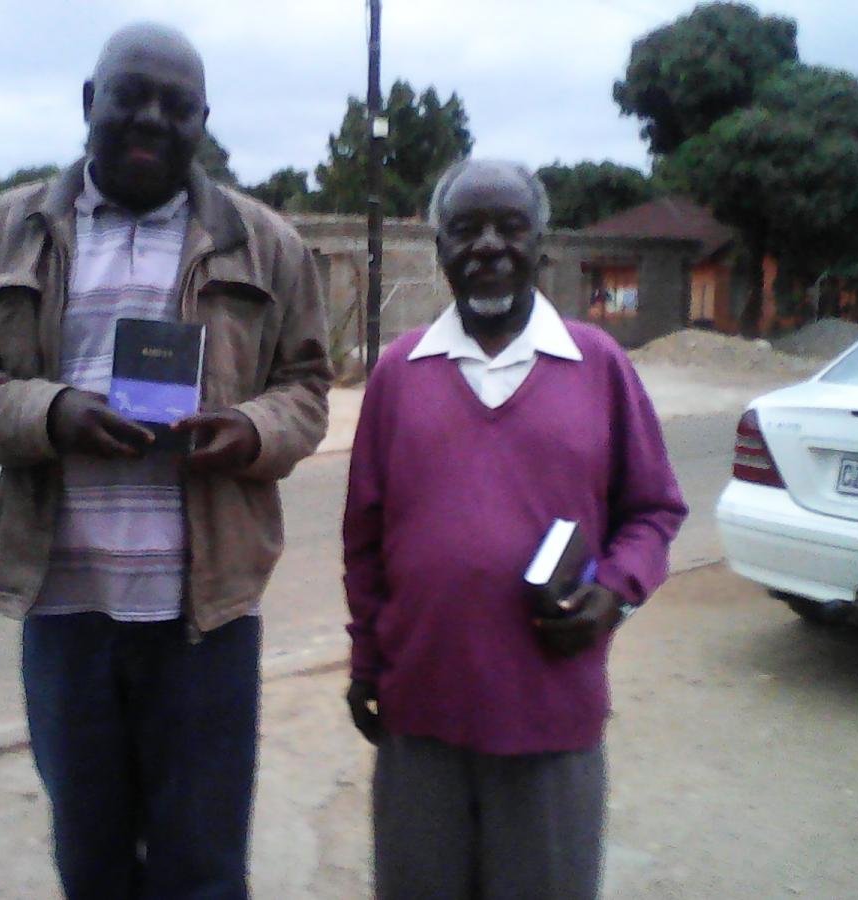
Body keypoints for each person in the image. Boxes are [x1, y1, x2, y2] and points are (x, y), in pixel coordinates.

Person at [0, 23, 331, 899]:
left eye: (176, 105)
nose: (151, 117)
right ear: (89, 102)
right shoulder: (3, 235)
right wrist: (52, 413)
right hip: (64, 612)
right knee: (93, 865)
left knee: (203, 869)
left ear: (203, 122)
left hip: (204, 619)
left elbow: (306, 389)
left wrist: (250, 432)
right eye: (130, 96)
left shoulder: (266, 244)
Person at [342, 159, 687, 899]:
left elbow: (653, 509)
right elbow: (364, 542)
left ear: (541, 245)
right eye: (466, 229)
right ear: (440, 248)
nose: (489, 245)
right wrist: (367, 663)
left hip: (551, 717)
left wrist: (613, 594)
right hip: (420, 714)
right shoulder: (399, 374)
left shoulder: (598, 366)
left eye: (510, 227)